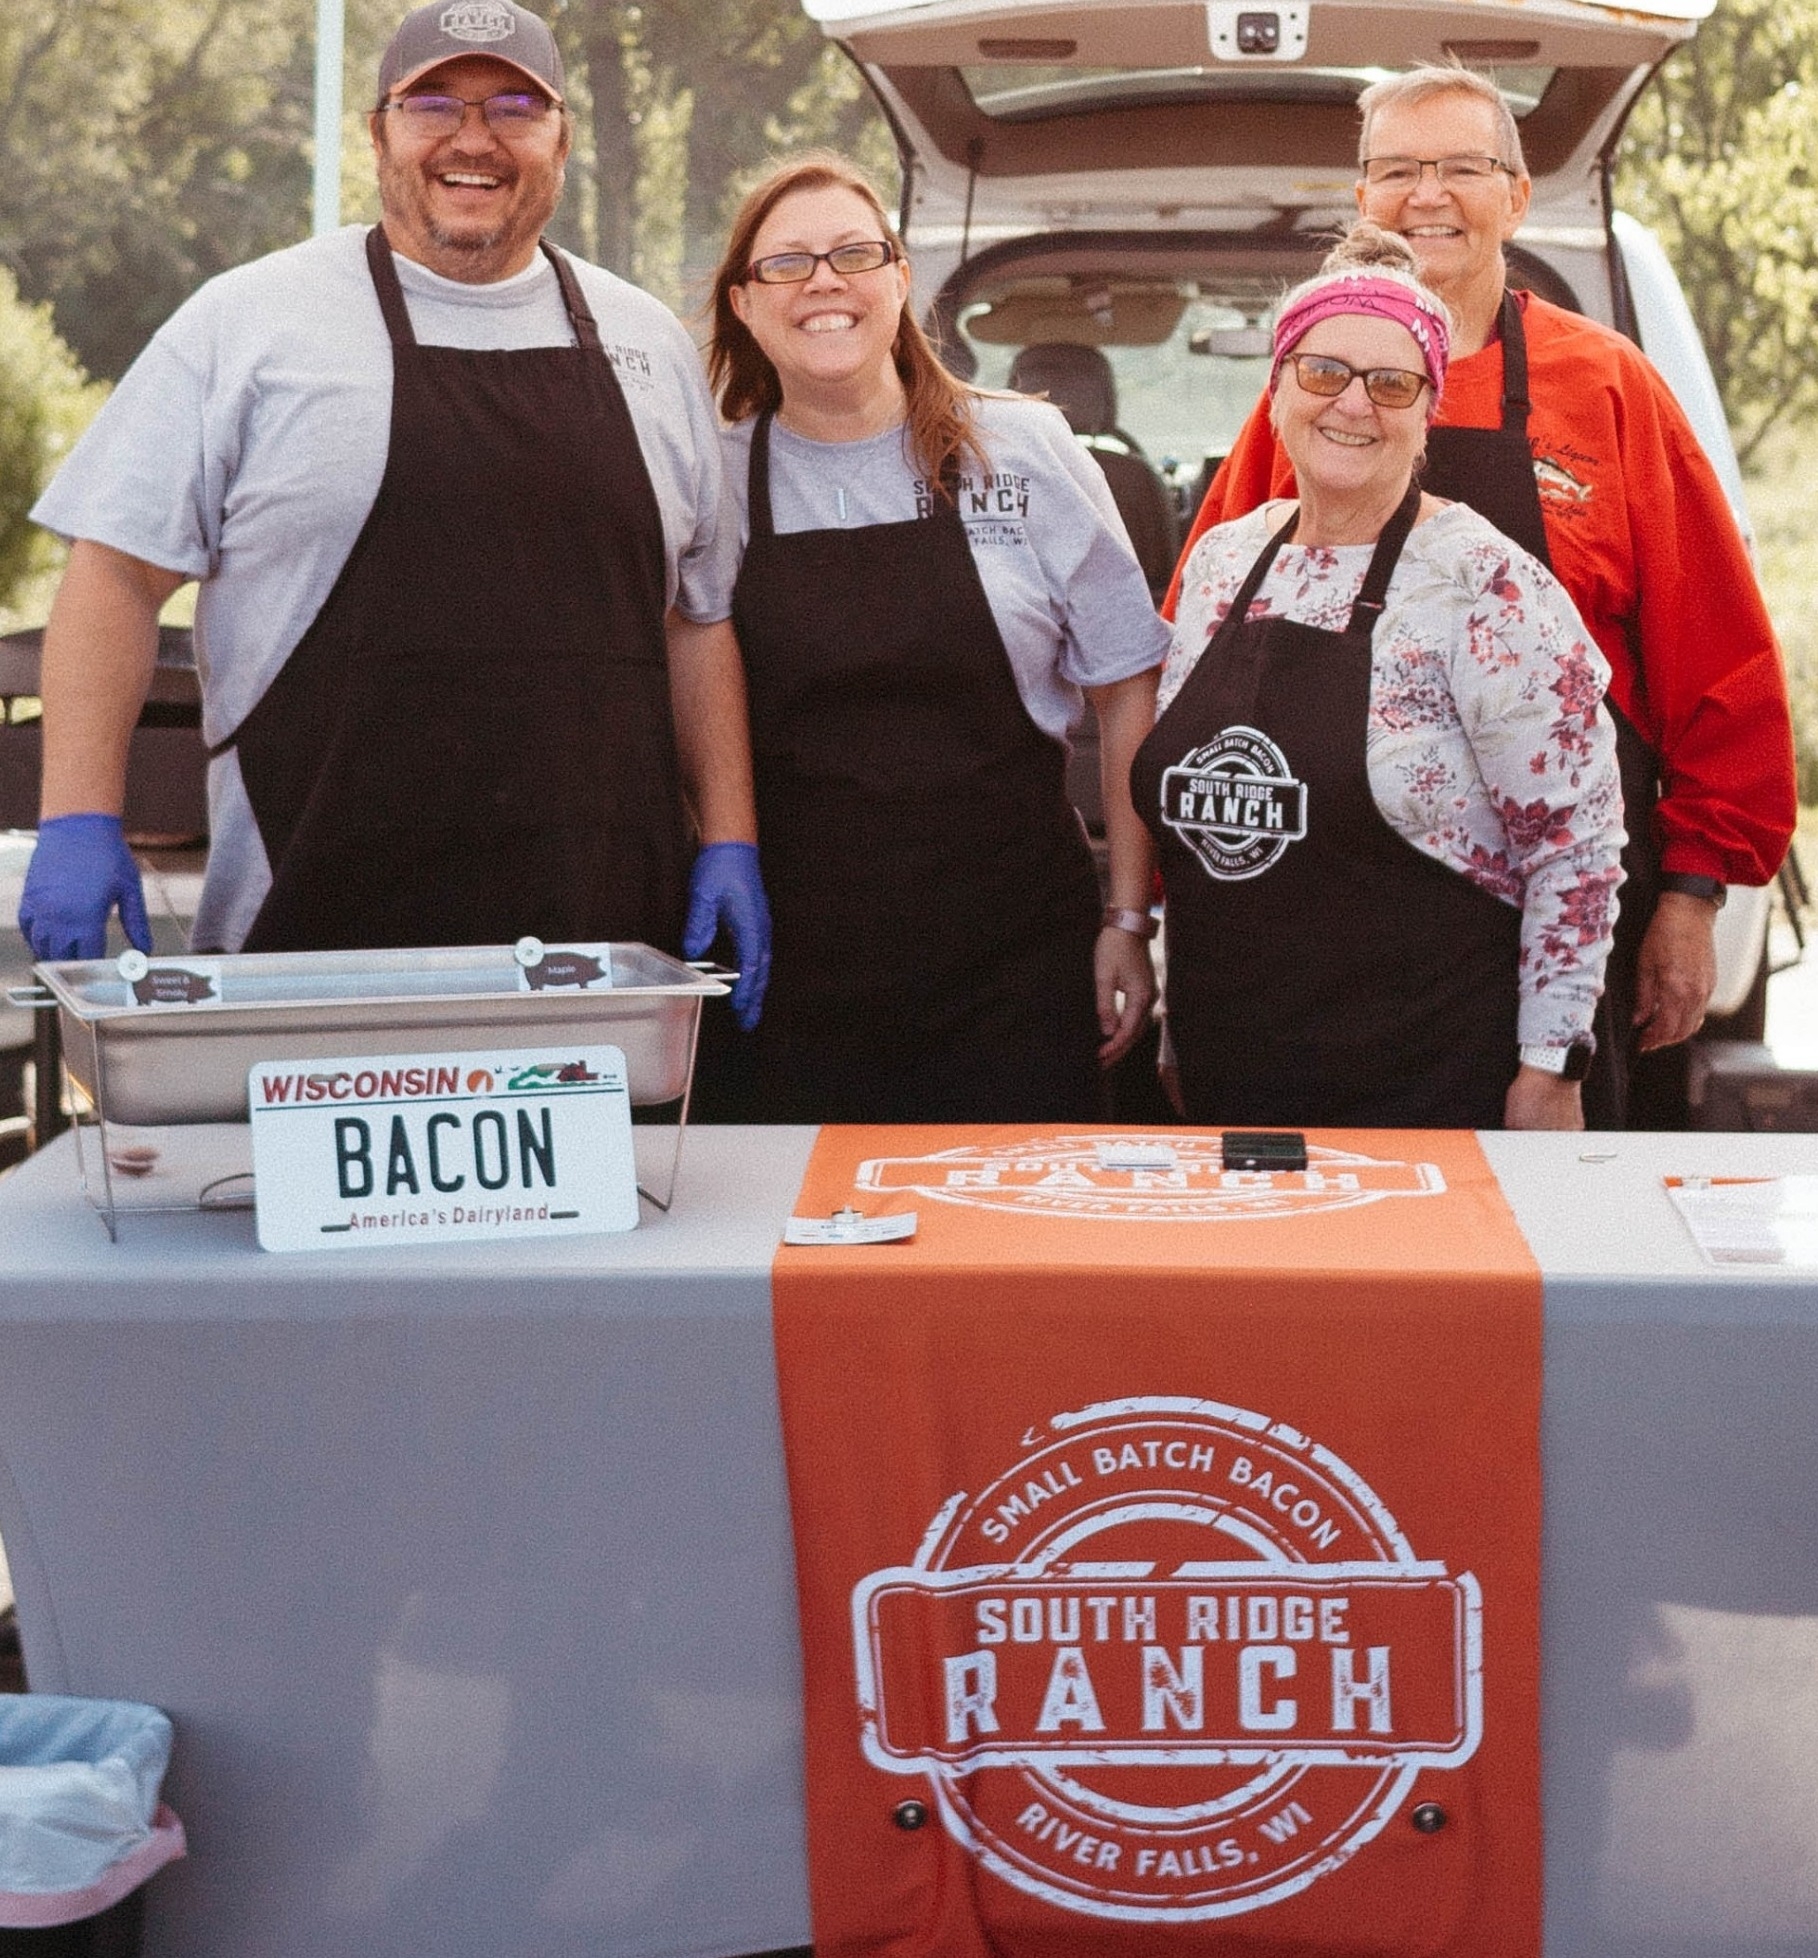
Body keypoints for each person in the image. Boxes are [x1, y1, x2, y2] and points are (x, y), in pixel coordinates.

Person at [17, 0, 769, 1027]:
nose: (473, 138)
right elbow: (115, 574)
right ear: (379, 132)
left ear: (561, 138)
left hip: (601, 956)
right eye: (433, 105)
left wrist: (729, 835)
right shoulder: (249, 323)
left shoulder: (650, 343)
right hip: (312, 952)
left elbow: (698, 618)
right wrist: (76, 815)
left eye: (514, 105)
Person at [1170, 64, 1797, 1126]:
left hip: (1566, 888)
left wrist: (1693, 894)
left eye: (1462, 167)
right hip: (1328, 898)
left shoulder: (1609, 388)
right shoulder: (1314, 399)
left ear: (1516, 194)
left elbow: (1719, 652)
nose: (1427, 195)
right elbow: (1210, 640)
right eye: (1398, 170)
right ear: (1361, 199)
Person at [706, 153, 1169, 1123]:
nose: (825, 281)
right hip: (796, 964)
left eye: (853, 253)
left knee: (1013, 1253)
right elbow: (686, 658)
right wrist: (723, 846)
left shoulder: (1023, 449)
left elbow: (1129, 683)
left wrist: (1127, 916)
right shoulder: (712, 470)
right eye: (788, 263)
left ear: (901, 279)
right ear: (744, 304)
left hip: (1014, 968)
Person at [1133, 224, 1624, 1131]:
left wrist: (1552, 1070)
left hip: (1425, 1082)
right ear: (1275, 391)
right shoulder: (1222, 563)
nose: (1353, 405)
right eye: (1323, 372)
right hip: (1229, 1069)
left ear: (1428, 407)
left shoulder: (1485, 581)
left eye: (1392, 383)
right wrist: (1173, 1031)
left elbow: (1575, 846)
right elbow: (1195, 843)